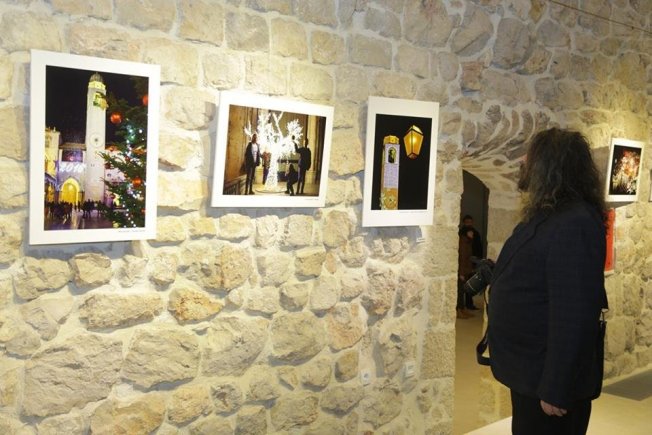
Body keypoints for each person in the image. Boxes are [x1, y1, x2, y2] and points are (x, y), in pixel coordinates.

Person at [488, 128, 608, 435]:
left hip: (548, 384)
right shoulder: (548, 214)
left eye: (530, 156)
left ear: (551, 166)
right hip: (530, 373)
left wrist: (557, 387)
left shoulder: (575, 223)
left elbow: (575, 313)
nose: (522, 160)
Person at [462, 214, 483, 310]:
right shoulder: (461, 233)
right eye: (467, 222)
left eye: (470, 222)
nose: (469, 224)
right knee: (462, 284)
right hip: (464, 262)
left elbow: (478, 247)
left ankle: (469, 304)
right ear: (464, 223)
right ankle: (461, 306)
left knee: (471, 283)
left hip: (473, 261)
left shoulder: (476, 233)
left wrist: (478, 261)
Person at [457, 225, 475, 319]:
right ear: (466, 233)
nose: (472, 234)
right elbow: (462, 258)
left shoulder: (467, 242)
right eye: (470, 232)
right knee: (460, 291)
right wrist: (461, 273)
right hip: (462, 271)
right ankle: (458, 310)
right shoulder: (463, 242)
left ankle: (462, 308)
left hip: (465, 270)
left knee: (463, 291)